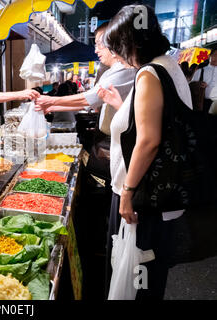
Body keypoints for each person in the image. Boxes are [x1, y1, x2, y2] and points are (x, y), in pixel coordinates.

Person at [97, 5, 193, 300]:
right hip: (154, 195)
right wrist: (119, 105)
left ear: (132, 42)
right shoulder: (167, 66)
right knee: (143, 277)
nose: (118, 55)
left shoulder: (149, 73)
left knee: (140, 280)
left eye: (118, 46)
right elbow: (152, 124)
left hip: (142, 198)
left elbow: (149, 140)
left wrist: (126, 192)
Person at [190, 48, 217, 113]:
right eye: (215, 55)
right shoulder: (200, 71)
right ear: (209, 56)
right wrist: (199, 84)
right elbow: (191, 86)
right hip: (203, 103)